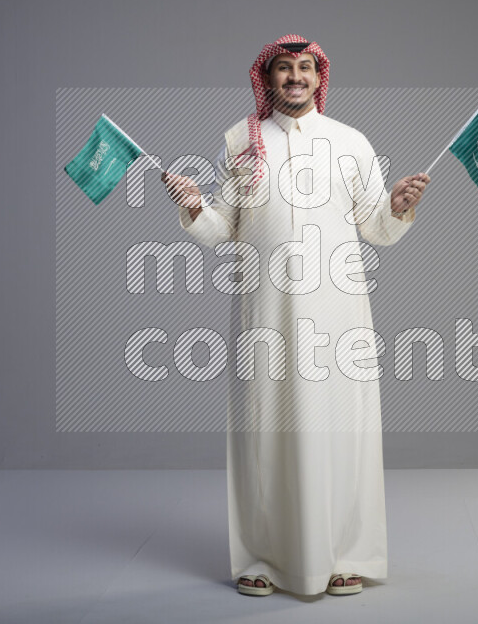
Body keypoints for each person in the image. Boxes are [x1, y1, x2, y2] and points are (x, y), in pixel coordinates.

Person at [162, 34, 430, 597]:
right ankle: (261, 559)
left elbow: (377, 229)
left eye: (305, 67)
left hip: (338, 313)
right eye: (284, 68)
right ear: (268, 78)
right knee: (264, 429)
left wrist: (399, 207)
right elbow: (223, 229)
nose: (295, 77)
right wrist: (194, 207)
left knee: (341, 427)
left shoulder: (351, 142)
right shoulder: (241, 141)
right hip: (265, 310)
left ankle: (345, 554)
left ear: (318, 76)